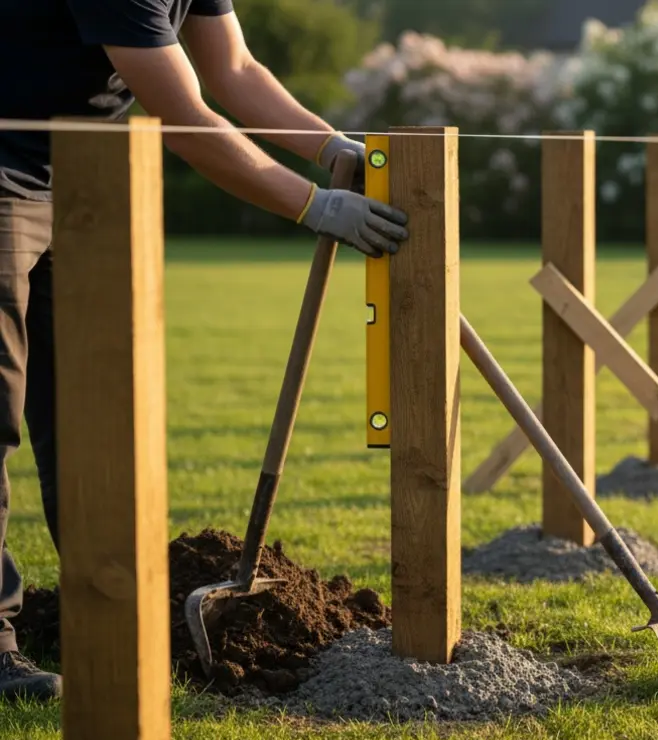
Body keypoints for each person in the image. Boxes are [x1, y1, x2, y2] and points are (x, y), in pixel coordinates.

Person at [0, 0, 411, 701]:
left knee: (92, 419)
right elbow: (186, 122)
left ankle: (105, 615)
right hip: (5, 179)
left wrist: (329, 144)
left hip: (80, 182)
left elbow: (235, 68)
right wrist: (314, 205)